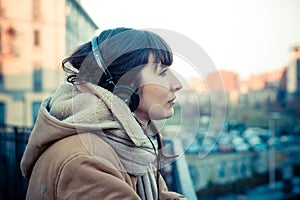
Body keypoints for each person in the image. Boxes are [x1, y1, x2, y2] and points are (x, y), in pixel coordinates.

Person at [21, 27, 184, 200]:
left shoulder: (126, 141)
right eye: (163, 73)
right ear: (124, 85)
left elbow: (161, 196)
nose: (177, 84)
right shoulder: (87, 160)